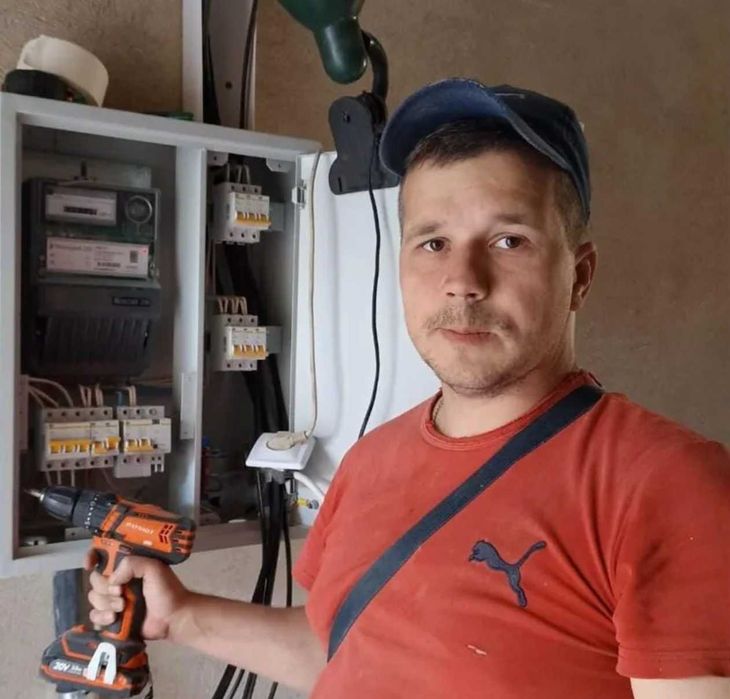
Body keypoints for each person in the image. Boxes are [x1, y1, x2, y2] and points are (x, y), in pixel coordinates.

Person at [87, 79, 730, 699]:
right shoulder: (370, 462)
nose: (462, 280)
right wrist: (181, 617)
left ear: (580, 276)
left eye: (509, 241)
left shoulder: (665, 485)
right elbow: (348, 652)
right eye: (433, 242)